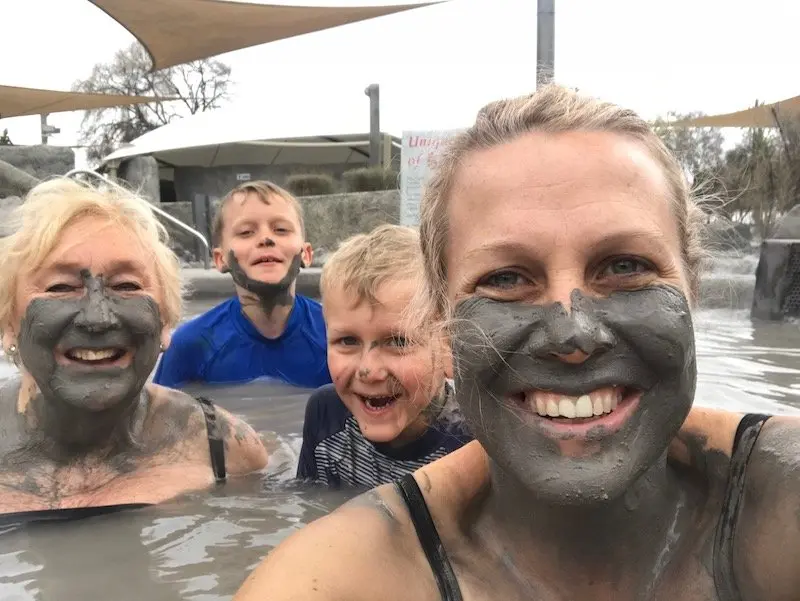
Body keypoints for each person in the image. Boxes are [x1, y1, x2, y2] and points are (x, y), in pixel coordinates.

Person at [235, 86, 800, 601]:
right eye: (505, 278)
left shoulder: (778, 506)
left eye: (625, 266)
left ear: (691, 291)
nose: (573, 335)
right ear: (445, 326)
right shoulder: (343, 578)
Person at [0, 178, 268, 516]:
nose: (97, 319)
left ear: (166, 322)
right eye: (60, 287)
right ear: (9, 324)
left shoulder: (224, 450)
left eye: (127, 285)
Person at [296, 225, 470, 488]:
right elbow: (310, 508)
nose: (369, 370)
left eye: (398, 341)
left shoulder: (472, 447)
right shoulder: (325, 415)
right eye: (348, 341)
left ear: (448, 348)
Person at [153, 181, 331, 389]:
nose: (265, 238)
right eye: (246, 232)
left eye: (281, 230)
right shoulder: (192, 345)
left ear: (306, 253)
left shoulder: (334, 335)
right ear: (220, 259)